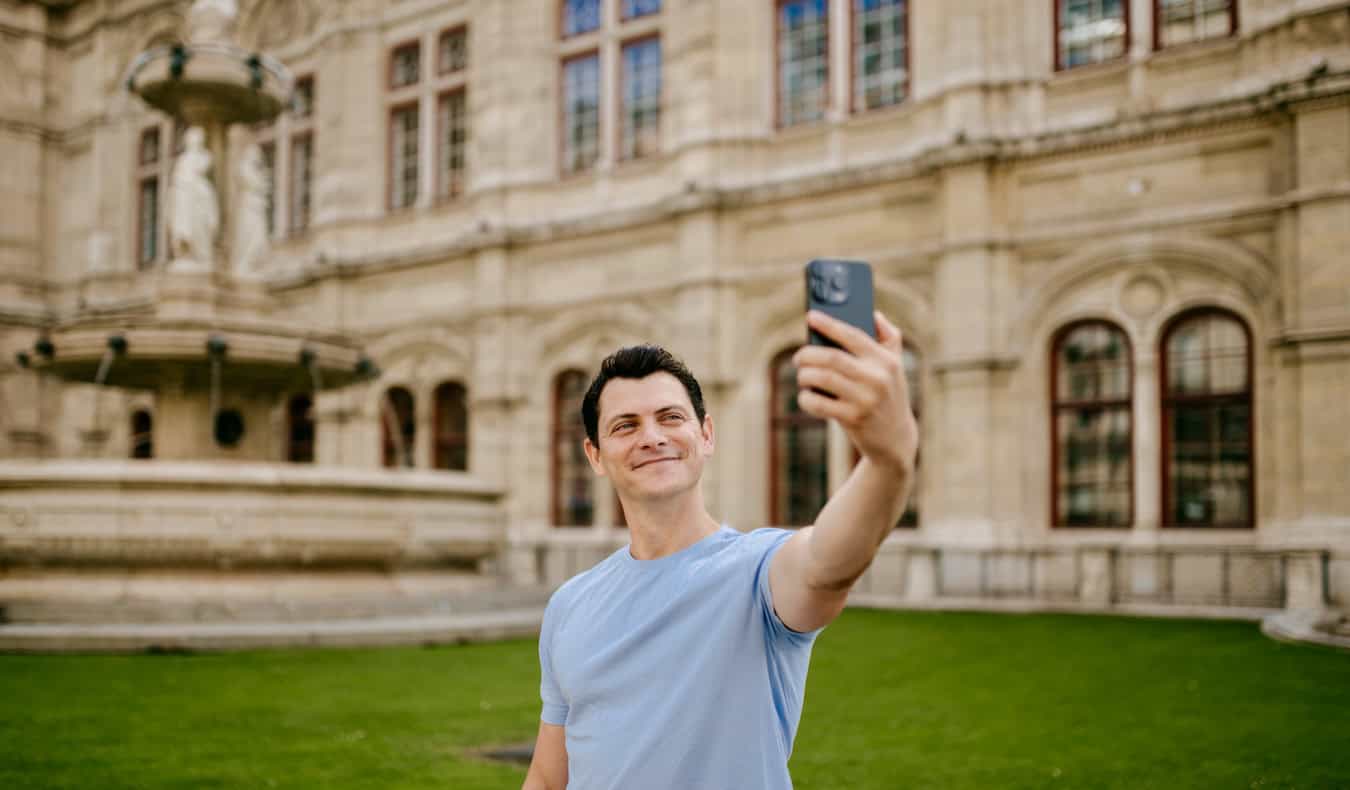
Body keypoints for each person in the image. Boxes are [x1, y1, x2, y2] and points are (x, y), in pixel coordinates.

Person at [522, 310, 919, 790]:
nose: (653, 437)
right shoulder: (569, 604)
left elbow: (828, 565)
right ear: (595, 455)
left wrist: (889, 457)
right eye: (626, 426)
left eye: (670, 417)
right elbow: (548, 776)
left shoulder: (758, 572)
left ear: (705, 435)